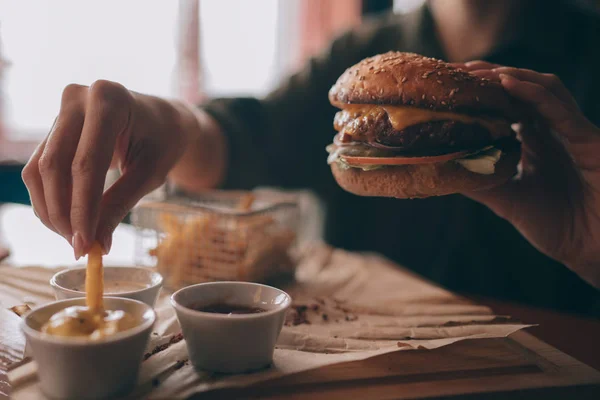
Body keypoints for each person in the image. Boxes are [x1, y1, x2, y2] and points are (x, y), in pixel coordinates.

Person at [21, 0, 600, 315]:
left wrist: (592, 253)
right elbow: (237, 141)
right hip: (363, 361)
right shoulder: (357, 53)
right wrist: (173, 120)